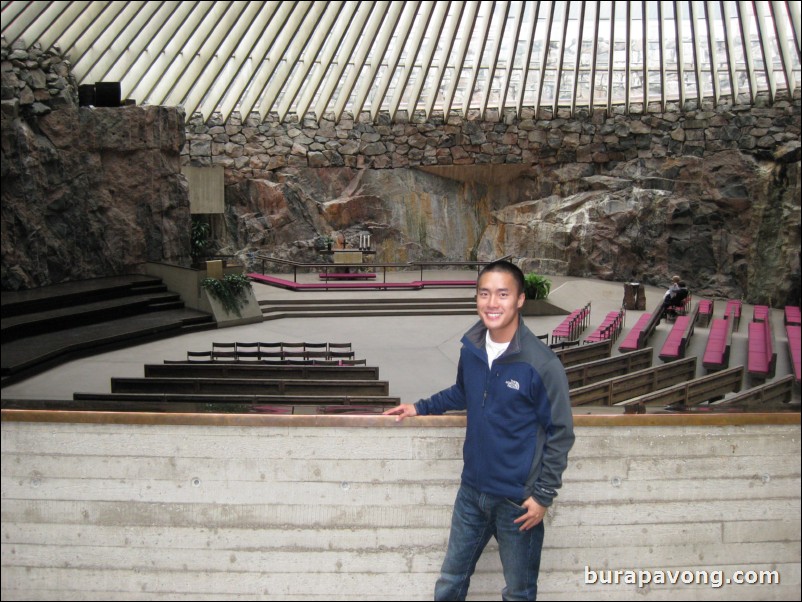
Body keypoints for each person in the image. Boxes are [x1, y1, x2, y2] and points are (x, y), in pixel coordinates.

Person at [383, 260, 575, 601]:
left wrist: (543, 495)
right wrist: (419, 407)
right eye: (484, 293)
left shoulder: (541, 364)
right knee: (449, 582)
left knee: (518, 592)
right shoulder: (471, 349)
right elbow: (462, 392)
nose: (492, 302)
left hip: (518, 502)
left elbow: (560, 431)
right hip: (471, 492)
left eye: (503, 294)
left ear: (519, 300)